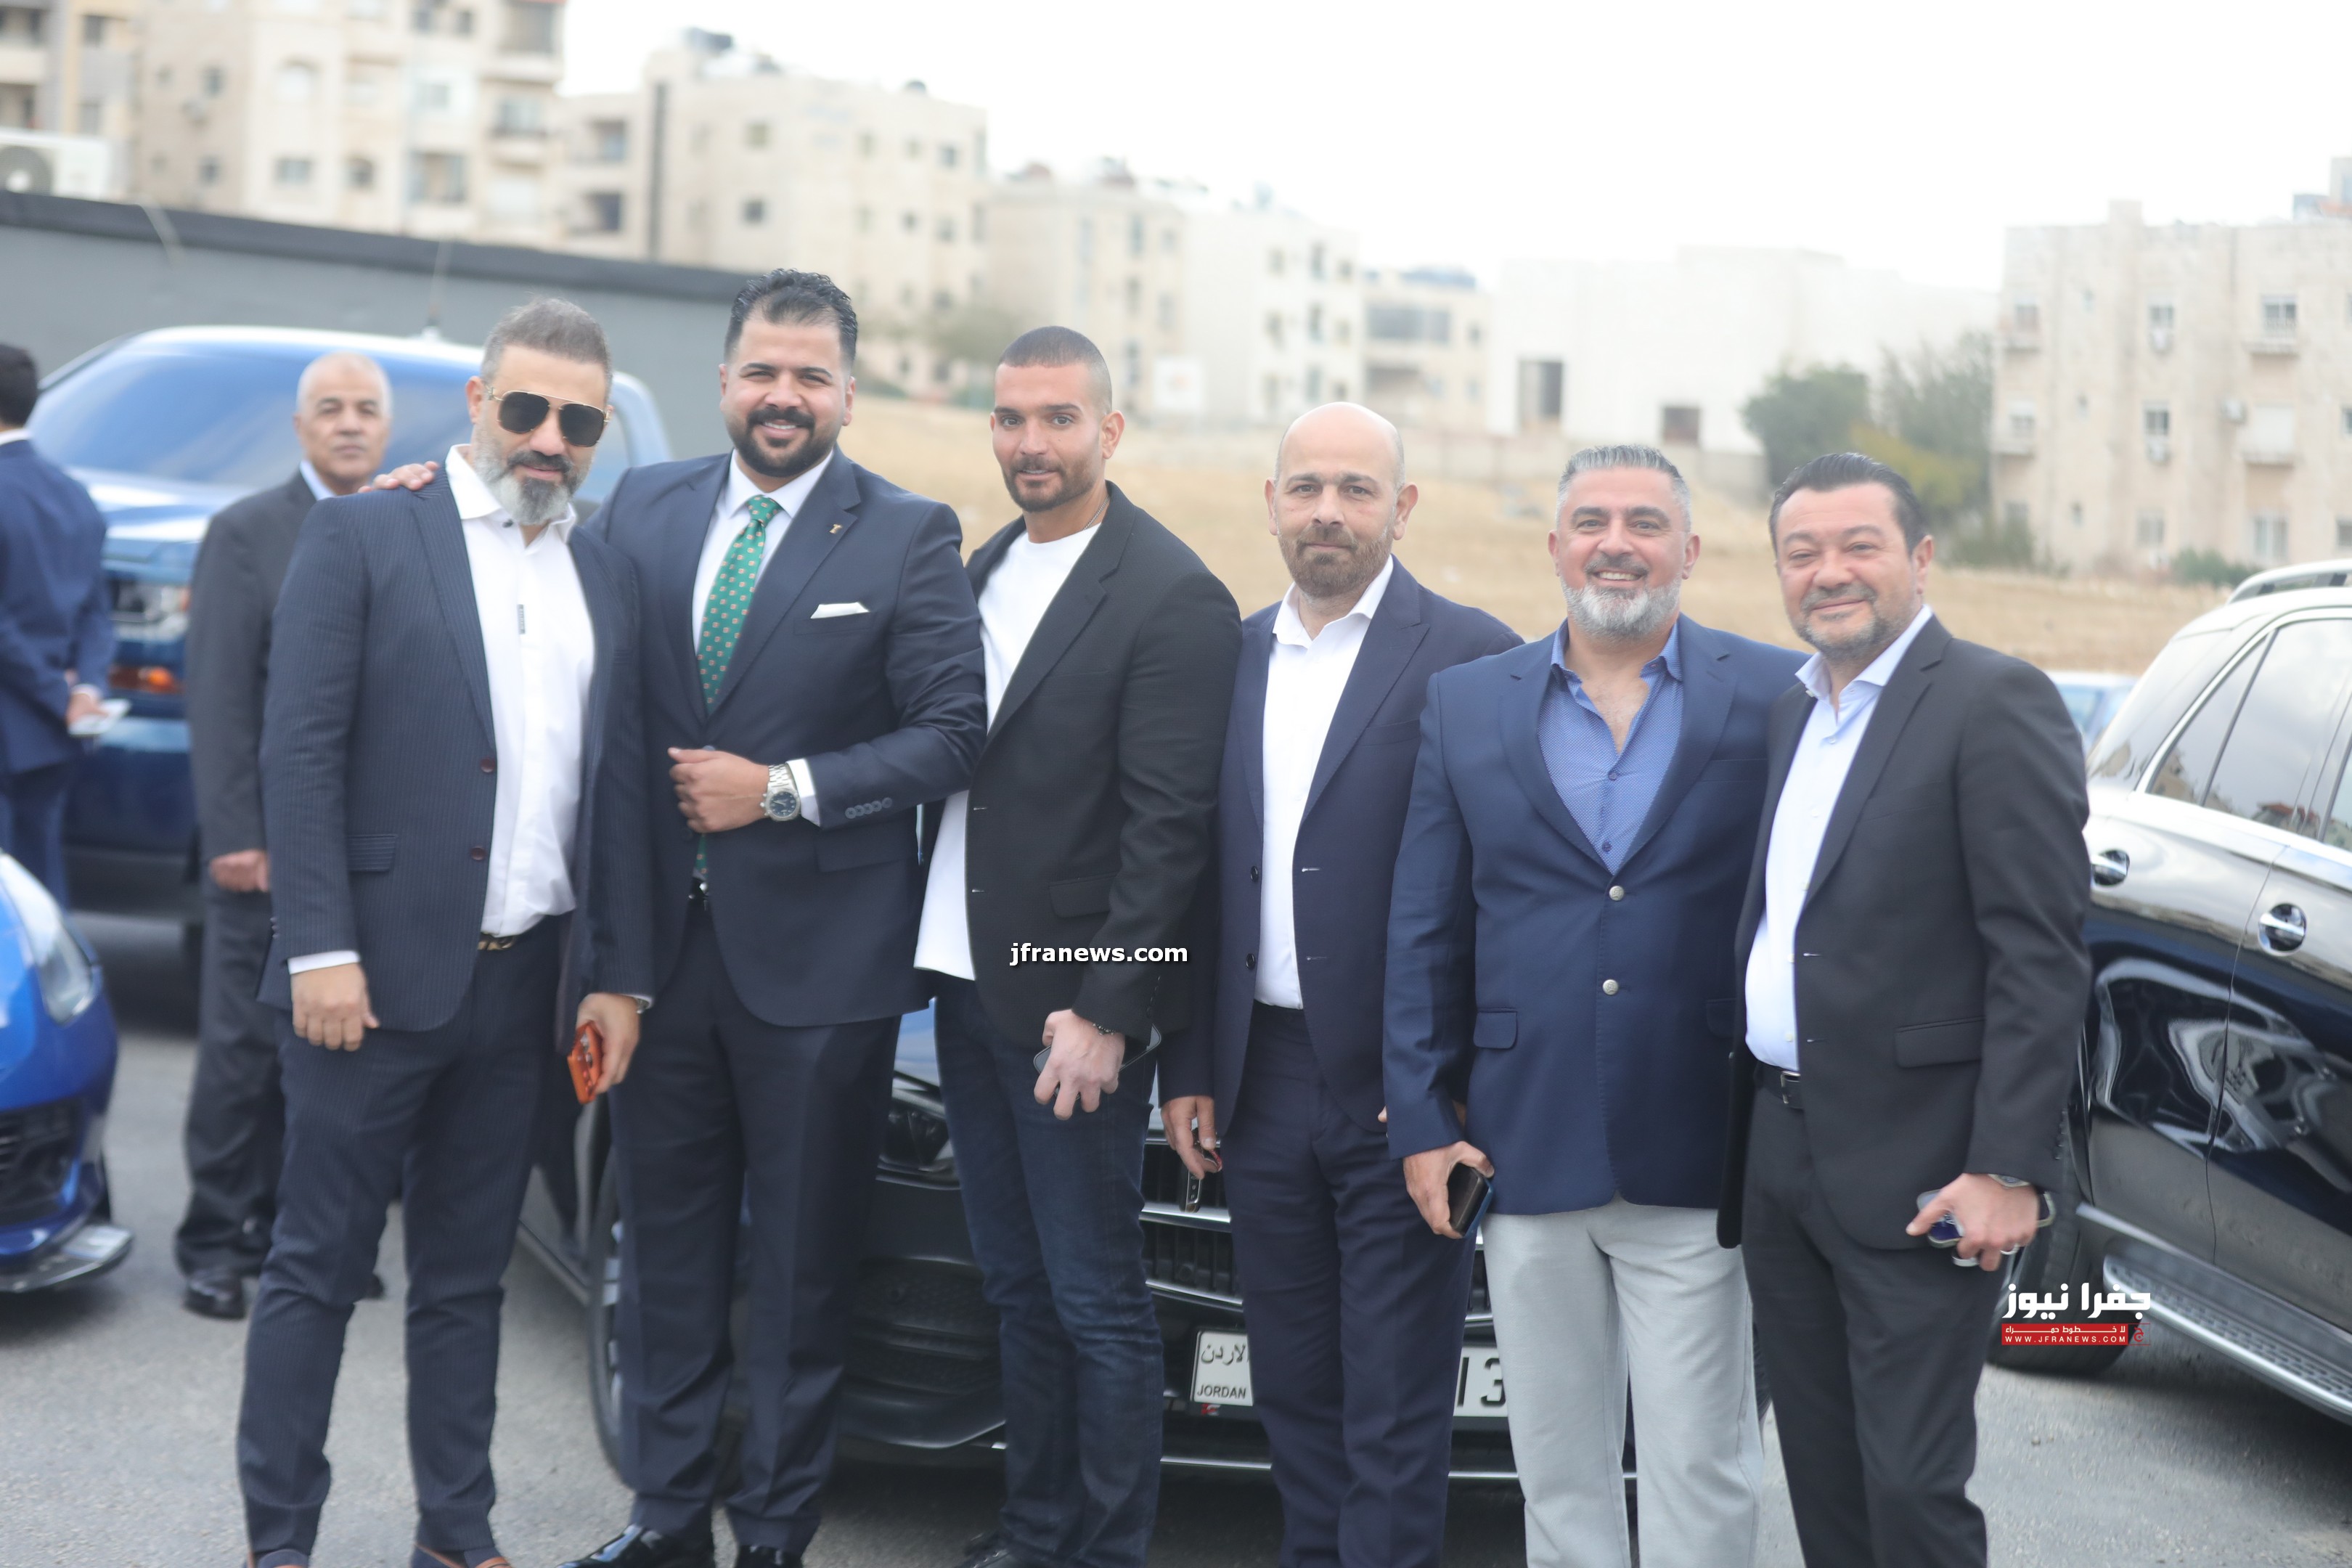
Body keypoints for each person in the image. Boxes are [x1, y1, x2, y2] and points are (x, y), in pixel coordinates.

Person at [557, 271, 985, 1568]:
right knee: (666, 1255)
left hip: (821, 976)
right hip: (658, 964)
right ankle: (665, 1519)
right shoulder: (645, 504)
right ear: (726, 381)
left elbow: (951, 735)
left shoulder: (907, 534)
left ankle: (776, 1536)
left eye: (810, 376)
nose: (783, 396)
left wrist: (784, 789)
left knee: (801, 1273)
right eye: (762, 372)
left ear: (848, 392)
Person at [237, 298, 652, 1568]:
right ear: (478, 404)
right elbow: (299, 754)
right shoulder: (368, 532)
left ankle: (456, 1536)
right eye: (524, 408)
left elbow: (613, 793)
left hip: (524, 994)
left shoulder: (603, 572)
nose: (548, 437)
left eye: (578, 420)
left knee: (467, 1285)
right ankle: (281, 1543)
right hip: (363, 987)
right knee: (316, 1271)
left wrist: (616, 978)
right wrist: (320, 949)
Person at [1385, 446, 1802, 1568]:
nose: (1617, 544)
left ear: (1690, 549)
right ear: (1556, 545)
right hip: (1523, 1140)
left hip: (1699, 1143)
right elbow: (1425, 924)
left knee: (1702, 1463)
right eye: (1592, 522)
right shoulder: (1467, 704)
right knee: (1558, 1468)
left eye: (1644, 523)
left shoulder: (1778, 693)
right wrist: (1420, 1117)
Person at [1158, 403, 1518, 1568]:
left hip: (1403, 1091)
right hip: (1258, 1080)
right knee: (1295, 1383)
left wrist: (1454, 1088)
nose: (1328, 511)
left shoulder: (1473, 655)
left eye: (1357, 490)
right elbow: (1201, 875)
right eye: (1306, 487)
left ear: (1402, 508)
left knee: (1396, 1401)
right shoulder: (1231, 656)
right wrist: (1192, 1063)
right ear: (1271, 503)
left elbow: (1505, 887)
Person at [1720, 452, 2089, 1568]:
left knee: (1911, 1488)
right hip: (1780, 1152)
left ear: (1920, 558)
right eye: (1802, 552)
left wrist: (2009, 1166)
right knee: (1824, 1482)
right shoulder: (1794, 714)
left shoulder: (1992, 701)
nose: (1829, 571)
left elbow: (2039, 952)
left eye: (1859, 546)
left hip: (1924, 1169)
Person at [913, 326, 1238, 1568]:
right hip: (963, 985)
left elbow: (1171, 831)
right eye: (1011, 418)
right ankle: (1035, 1533)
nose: (1031, 441)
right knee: (1017, 1287)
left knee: (1096, 1299)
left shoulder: (1170, 593)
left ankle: (1106, 1550)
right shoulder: (981, 568)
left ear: (1109, 430)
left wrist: (1108, 1011)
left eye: (1058, 418)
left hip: (1069, 1011)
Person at [178, 350, 395, 1322]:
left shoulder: (401, 529)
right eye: (330, 408)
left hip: (361, 857)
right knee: (243, 1054)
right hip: (261, 850)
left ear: (387, 428)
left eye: (366, 409)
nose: (349, 423)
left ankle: (297, 1235)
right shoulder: (247, 533)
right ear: (301, 427)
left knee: (333, 1059)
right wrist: (236, 833)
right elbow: (221, 694)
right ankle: (214, 1240)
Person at [0, 343, 111, 902]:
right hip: (58, 732)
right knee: (40, 894)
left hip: (21, 712)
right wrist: (84, 690)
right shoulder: (75, 495)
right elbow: (96, 611)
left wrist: (52, 691)